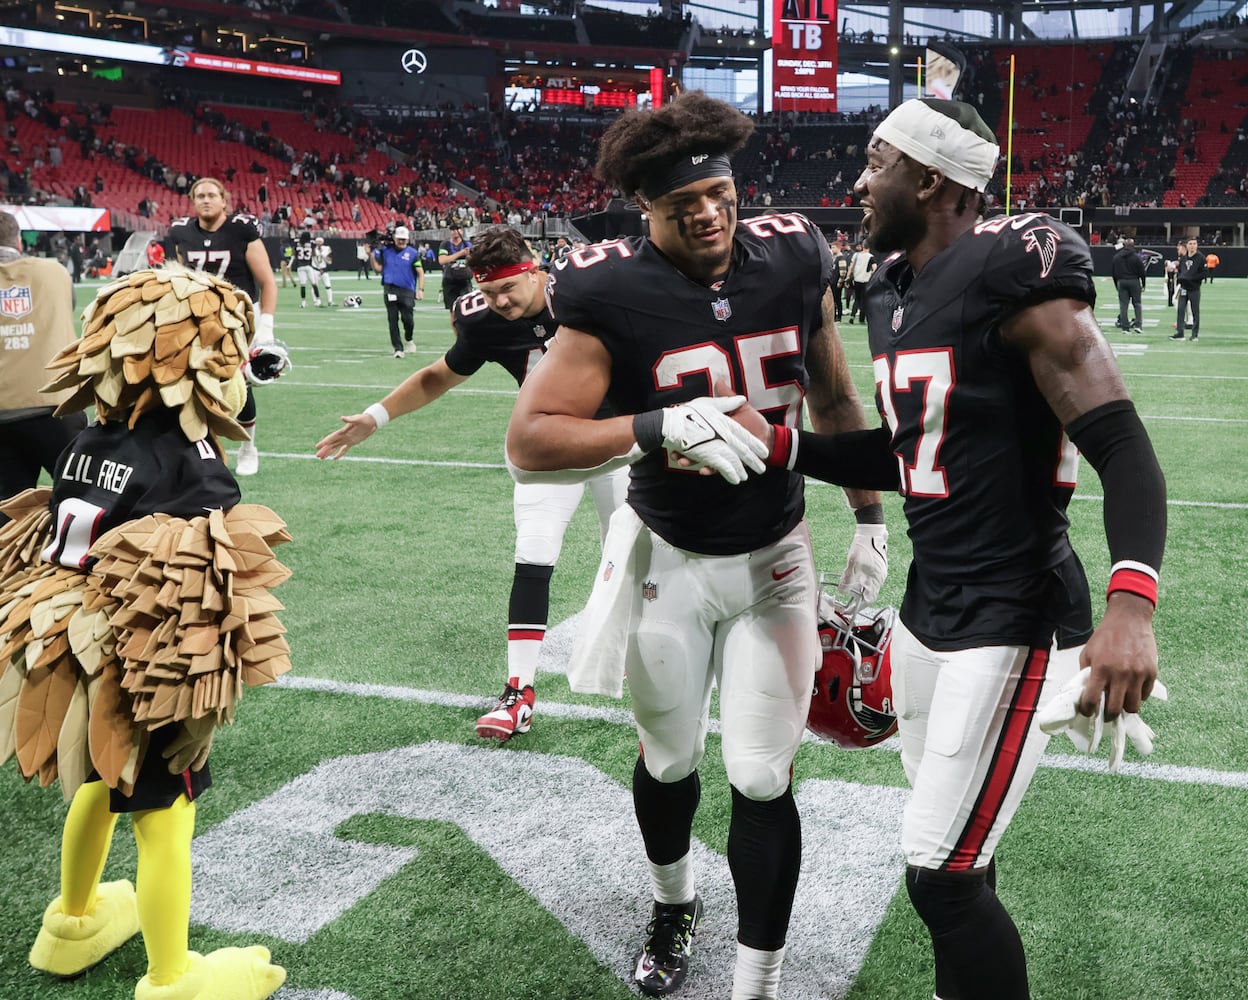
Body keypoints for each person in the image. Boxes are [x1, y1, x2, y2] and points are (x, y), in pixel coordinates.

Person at [723, 97, 1166, 1000]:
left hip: (1015, 616)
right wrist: (785, 445)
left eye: (876, 160)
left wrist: (1131, 605)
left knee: (941, 876)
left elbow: (1123, 446)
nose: (858, 178)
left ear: (931, 180)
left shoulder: (1014, 278)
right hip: (932, 611)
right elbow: (911, 444)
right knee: (967, 852)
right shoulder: (893, 288)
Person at [504, 91, 887, 1000]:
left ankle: (758, 979)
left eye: (720, 193)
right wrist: (653, 425)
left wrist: (869, 514)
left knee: (762, 775)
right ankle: (673, 903)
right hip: (667, 557)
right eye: (684, 206)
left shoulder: (795, 255)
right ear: (646, 212)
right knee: (671, 761)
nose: (710, 213)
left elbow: (832, 397)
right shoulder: (609, 287)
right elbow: (532, 438)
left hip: (776, 559)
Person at [6, 265, 289, 1000]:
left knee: (97, 782)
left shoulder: (85, 435)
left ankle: (71, 922)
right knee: (167, 812)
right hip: (138, 655)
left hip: (69, 637)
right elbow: (199, 585)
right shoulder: (188, 462)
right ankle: (173, 975)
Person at [315, 225, 627, 741]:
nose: (500, 301)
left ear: (534, 268)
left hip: (620, 436)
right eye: (489, 292)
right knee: (532, 557)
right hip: (549, 442)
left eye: (509, 287)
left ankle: (628, 652)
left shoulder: (585, 292)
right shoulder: (481, 320)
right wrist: (375, 417)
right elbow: (439, 375)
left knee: (624, 553)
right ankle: (518, 691)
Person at [165, 176, 278, 476]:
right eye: (199, 195)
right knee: (190, 382)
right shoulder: (181, 233)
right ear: (192, 201)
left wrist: (266, 326)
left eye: (211, 194)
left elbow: (267, 281)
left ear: (224, 200)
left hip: (239, 317)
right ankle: (199, 449)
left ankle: (248, 447)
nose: (205, 199)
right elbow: (177, 277)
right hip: (198, 318)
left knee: (236, 382)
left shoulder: (241, 230)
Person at [0, 209, 87, 517]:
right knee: (85, 500)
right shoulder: (54, 272)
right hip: (55, 404)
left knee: (6, 509)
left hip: (2, 410)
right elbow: (68, 306)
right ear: (19, 241)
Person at [372, 225, 425, 358]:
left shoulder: (413, 253)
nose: (401, 241)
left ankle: (409, 338)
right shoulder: (386, 251)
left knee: (408, 320)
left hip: (407, 290)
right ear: (394, 238)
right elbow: (378, 269)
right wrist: (371, 255)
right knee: (392, 320)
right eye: (399, 239)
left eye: (404, 239)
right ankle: (398, 348)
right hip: (390, 288)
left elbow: (420, 272)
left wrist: (420, 289)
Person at [1171, 236, 1207, 341]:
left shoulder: (1200, 258)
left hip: (1194, 288)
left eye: (1194, 244)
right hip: (1184, 287)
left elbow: (1204, 273)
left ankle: (1194, 335)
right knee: (1180, 310)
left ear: (1197, 245)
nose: (1192, 246)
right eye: (1190, 244)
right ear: (1187, 245)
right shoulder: (1184, 258)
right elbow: (1181, 270)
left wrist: (1191, 278)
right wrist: (1181, 278)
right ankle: (1180, 333)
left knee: (1195, 311)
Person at [1110, 237, 1145, 334]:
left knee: (1123, 305)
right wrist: (1143, 283)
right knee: (1137, 304)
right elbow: (1142, 271)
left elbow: (1113, 273)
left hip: (1122, 281)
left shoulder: (1117, 257)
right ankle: (1138, 325)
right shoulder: (1136, 257)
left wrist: (1116, 284)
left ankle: (1125, 327)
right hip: (1134, 281)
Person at [437, 226, 474, 308]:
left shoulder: (468, 244)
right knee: (452, 308)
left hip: (465, 279)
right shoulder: (445, 244)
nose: (455, 231)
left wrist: (469, 255)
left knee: (466, 307)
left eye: (457, 229)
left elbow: (475, 260)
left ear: (462, 231)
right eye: (452, 229)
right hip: (449, 279)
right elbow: (442, 260)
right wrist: (461, 253)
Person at [848, 240, 876, 321]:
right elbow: (875, 268)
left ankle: (852, 315)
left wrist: (848, 277)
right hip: (865, 280)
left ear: (862, 247)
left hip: (857, 280)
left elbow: (851, 267)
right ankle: (861, 318)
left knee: (857, 299)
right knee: (864, 300)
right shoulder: (870, 257)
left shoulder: (856, 255)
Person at [293, 232, 322, 308]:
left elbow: (294, 255)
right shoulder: (311, 244)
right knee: (314, 284)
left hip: (300, 267)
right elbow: (314, 256)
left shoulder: (297, 243)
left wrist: (290, 265)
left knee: (303, 285)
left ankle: (303, 302)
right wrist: (319, 267)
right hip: (308, 266)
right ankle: (318, 300)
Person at [311, 235, 335, 307]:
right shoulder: (313, 250)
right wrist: (319, 268)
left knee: (328, 285)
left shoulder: (326, 249)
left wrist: (325, 256)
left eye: (320, 241)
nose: (319, 243)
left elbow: (329, 261)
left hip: (324, 269)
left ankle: (330, 301)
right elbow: (315, 260)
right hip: (316, 270)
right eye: (317, 241)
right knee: (315, 286)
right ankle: (316, 301)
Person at [1163, 241, 1183, 307]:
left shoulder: (1184, 256)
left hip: (1183, 278)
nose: (1177, 248)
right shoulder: (1179, 256)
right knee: (1172, 289)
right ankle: (1171, 301)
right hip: (1174, 275)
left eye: (1179, 246)